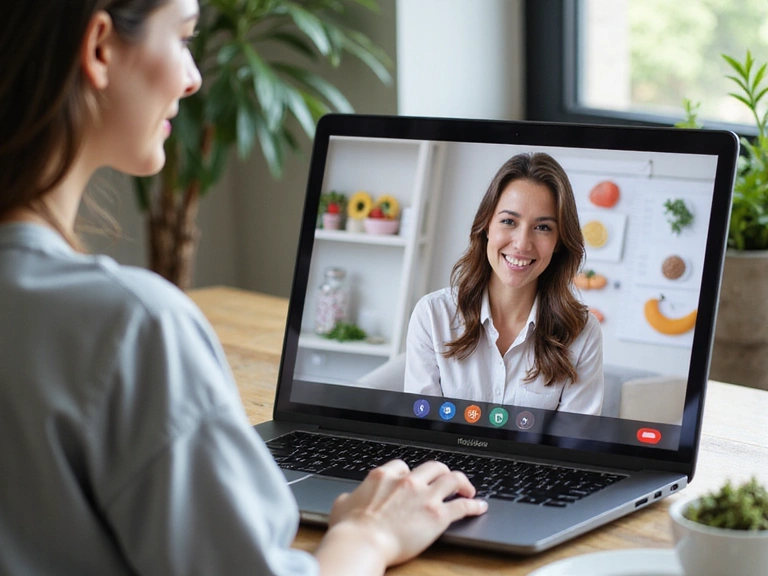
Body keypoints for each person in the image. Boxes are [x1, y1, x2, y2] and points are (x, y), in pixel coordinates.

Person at [0, 1, 487, 574]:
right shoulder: (132, 327)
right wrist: (367, 537)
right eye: (183, 38)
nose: (194, 76)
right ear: (101, 47)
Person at [405, 153, 604, 415]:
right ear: (487, 226)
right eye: (509, 221)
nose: (522, 244)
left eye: (543, 227)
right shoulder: (432, 315)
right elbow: (420, 431)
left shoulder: (583, 332)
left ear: (559, 241)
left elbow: (573, 444)